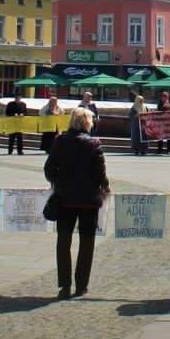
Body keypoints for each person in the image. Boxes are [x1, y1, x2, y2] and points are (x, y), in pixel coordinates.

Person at [45, 108, 109, 299]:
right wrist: (103, 188)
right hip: (89, 201)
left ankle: (64, 285)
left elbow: (49, 170)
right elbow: (100, 175)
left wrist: (58, 182)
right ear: (88, 123)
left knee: (63, 242)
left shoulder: (59, 141)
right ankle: (81, 285)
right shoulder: (94, 144)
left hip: (64, 199)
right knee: (86, 243)